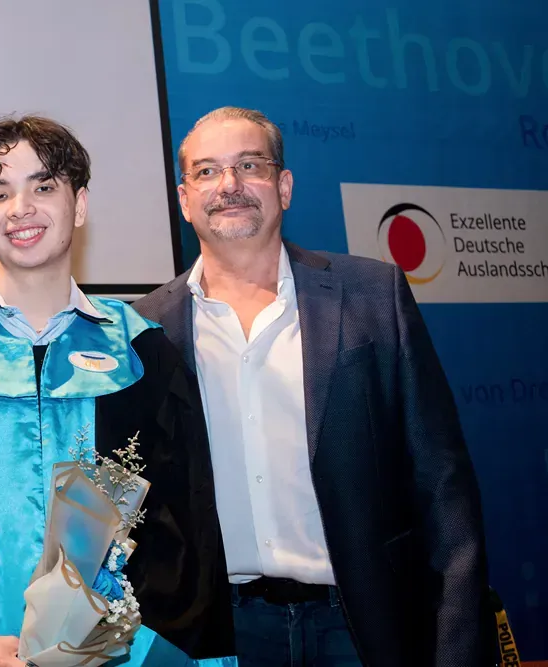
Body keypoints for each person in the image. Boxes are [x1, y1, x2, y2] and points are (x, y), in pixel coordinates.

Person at [0, 116, 235, 667]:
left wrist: (122, 640)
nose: (20, 208)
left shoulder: (144, 357)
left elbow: (185, 527)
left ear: (79, 205)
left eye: (43, 186)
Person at [133, 106, 493, 667]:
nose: (229, 185)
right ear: (184, 199)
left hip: (363, 627)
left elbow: (443, 489)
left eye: (249, 165)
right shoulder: (146, 328)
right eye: (206, 172)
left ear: (284, 186)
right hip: (220, 636)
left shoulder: (374, 296)